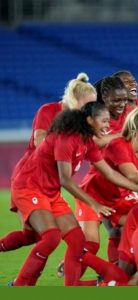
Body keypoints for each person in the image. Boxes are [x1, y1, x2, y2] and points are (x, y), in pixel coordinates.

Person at [8, 102, 138, 286]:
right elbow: (65, 180)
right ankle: (20, 285)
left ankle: (72, 287)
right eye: (104, 121)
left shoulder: (87, 142)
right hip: (29, 187)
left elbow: (110, 173)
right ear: (90, 120)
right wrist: (94, 204)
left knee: (77, 241)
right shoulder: (67, 139)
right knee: (51, 237)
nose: (108, 125)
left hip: (50, 192)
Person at [1, 72, 96, 254]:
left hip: (49, 182)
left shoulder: (81, 122)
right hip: (30, 177)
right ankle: (23, 281)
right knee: (49, 235)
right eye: (87, 104)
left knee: (34, 236)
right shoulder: (49, 111)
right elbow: (39, 141)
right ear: (75, 99)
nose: (90, 109)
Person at [73, 107, 138, 268]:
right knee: (91, 246)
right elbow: (133, 176)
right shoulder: (118, 145)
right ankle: (71, 268)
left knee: (137, 227)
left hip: (116, 199)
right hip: (93, 196)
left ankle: (118, 275)